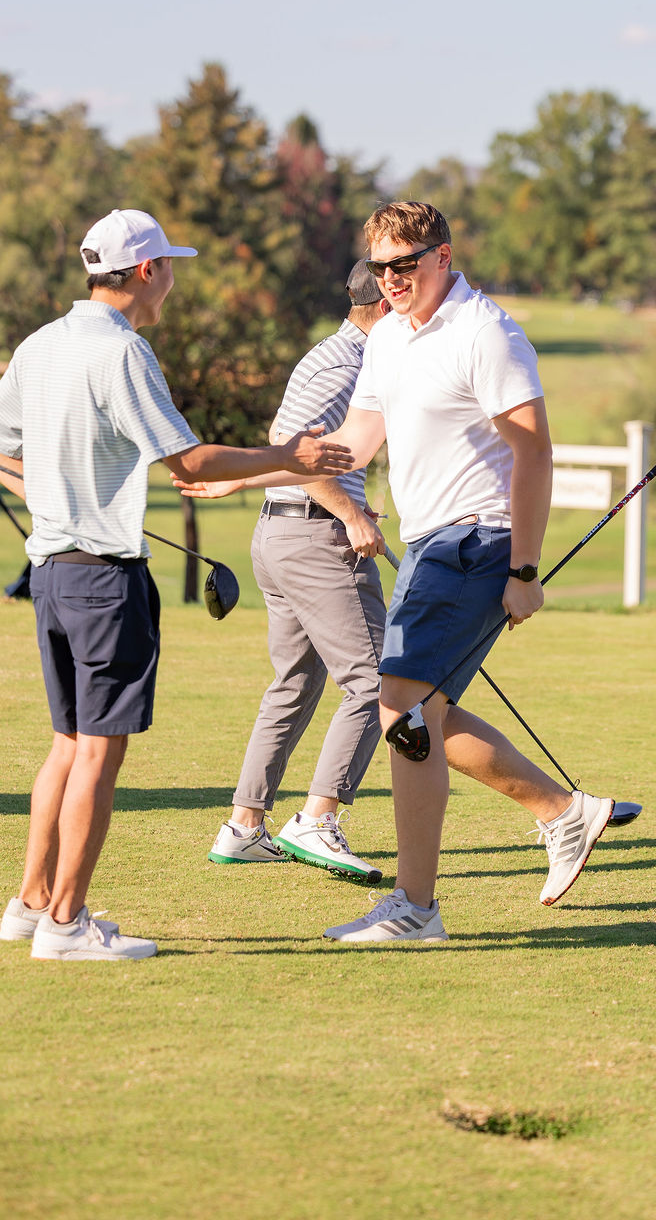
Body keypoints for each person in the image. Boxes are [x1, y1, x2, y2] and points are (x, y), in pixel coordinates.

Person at [0, 208, 349, 962]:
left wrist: (52, 499)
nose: (172, 282)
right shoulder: (124, 350)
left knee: (67, 744)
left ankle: (28, 905)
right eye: (170, 268)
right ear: (147, 270)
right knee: (98, 753)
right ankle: (65, 925)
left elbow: (3, 451)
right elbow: (186, 462)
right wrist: (287, 457)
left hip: (51, 575)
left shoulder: (39, 344)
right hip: (104, 582)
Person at [312, 201, 614, 943]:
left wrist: (526, 569)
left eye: (404, 265)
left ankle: (416, 908)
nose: (391, 279)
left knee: (403, 712)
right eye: (380, 267)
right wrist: (251, 470)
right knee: (421, 713)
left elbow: (534, 450)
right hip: (427, 545)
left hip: (477, 540)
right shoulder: (389, 337)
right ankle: (563, 813)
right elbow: (354, 443)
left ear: (442, 257)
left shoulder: (486, 332)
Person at [204, 260, 391, 881]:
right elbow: (293, 445)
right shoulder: (348, 365)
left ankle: (244, 827)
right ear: (382, 306)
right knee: (375, 681)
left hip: (285, 532)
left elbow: (289, 444)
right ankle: (317, 819)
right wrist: (350, 514)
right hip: (314, 539)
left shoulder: (338, 354)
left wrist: (350, 504)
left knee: (295, 683)